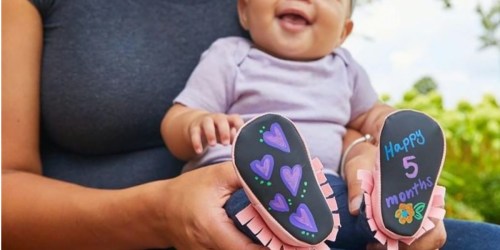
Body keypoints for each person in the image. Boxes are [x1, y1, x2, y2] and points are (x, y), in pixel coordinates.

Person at [3, 0, 497, 249]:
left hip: (332, 187)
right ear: (243, 10)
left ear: (345, 29)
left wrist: (377, 142)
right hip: (232, 182)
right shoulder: (231, 56)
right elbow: (176, 120)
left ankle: (387, 217)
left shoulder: (343, 67)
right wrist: (197, 123)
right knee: (255, 192)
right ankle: (302, 206)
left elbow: (366, 117)